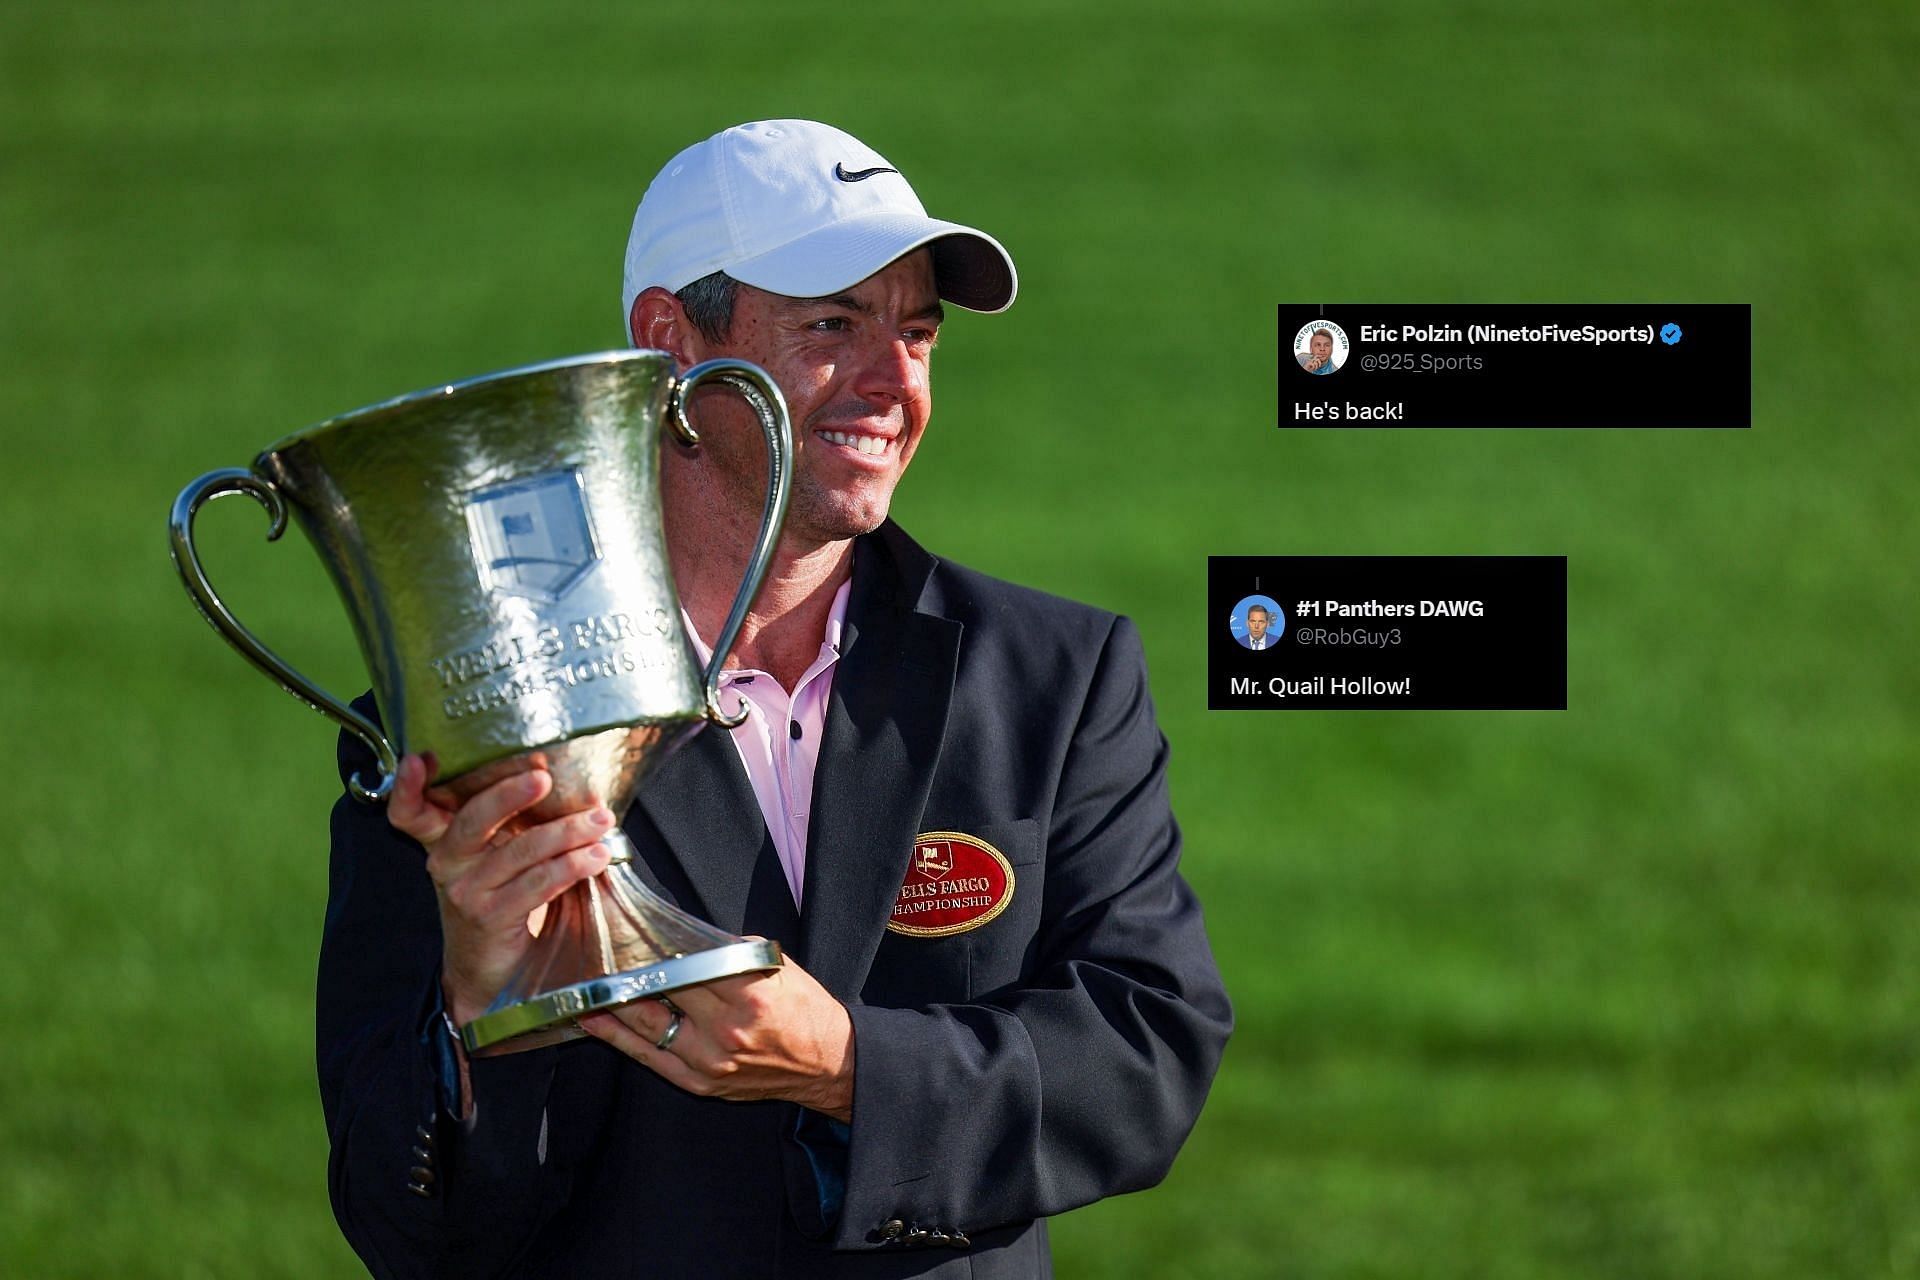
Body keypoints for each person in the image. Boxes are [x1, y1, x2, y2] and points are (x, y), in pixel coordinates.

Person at [317, 118, 1232, 1279]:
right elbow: (404, 1227)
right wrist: (480, 1008)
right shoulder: (473, 728)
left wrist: (850, 1063)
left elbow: (1149, 1056)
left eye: (917, 332)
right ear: (670, 341)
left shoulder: (1058, 674)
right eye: (833, 325)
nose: (894, 381)